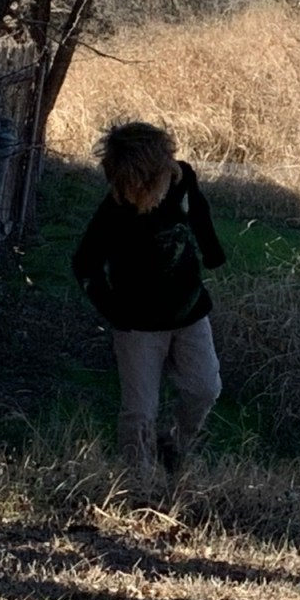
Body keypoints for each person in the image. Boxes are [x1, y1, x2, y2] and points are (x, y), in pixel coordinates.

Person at [72, 121, 226, 479]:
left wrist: (212, 251)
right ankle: (137, 480)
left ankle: (176, 447)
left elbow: (198, 209)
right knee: (140, 411)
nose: (150, 190)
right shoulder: (115, 212)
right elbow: (84, 263)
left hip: (190, 314)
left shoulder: (181, 177)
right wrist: (114, 311)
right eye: (134, 185)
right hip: (138, 328)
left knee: (205, 389)